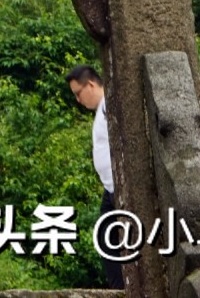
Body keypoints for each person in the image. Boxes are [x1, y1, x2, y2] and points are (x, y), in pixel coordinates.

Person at [68, 64, 123, 288]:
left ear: (90, 84)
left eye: (78, 94)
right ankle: (119, 288)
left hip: (120, 188)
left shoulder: (109, 105)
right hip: (111, 189)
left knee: (110, 242)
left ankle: (122, 289)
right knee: (106, 240)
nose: (78, 101)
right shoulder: (102, 109)